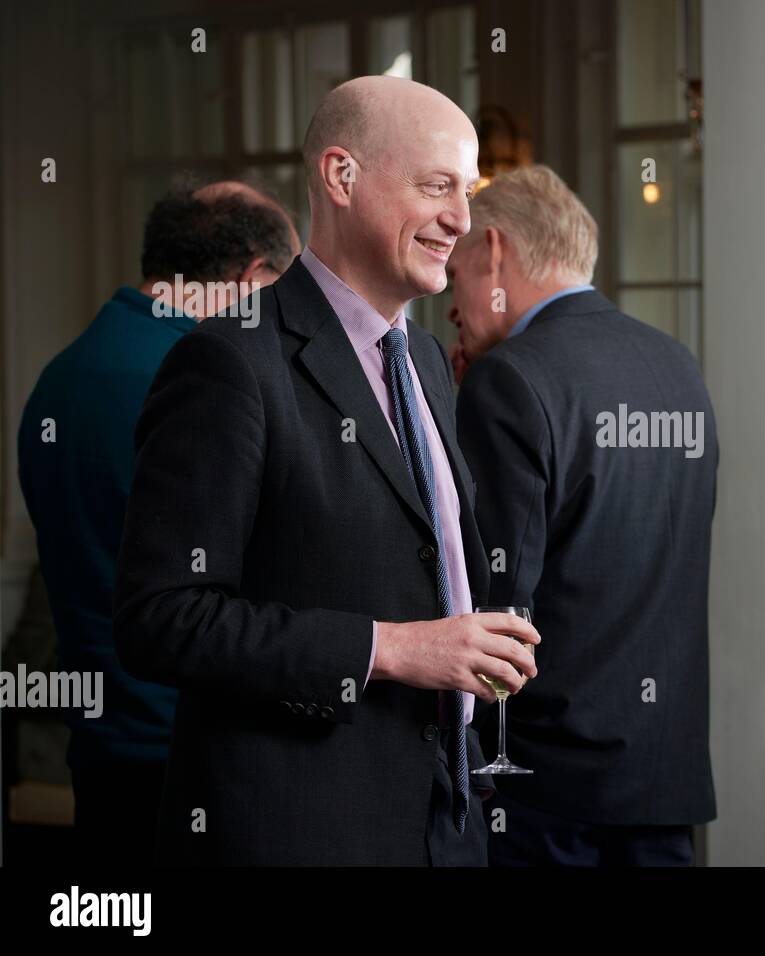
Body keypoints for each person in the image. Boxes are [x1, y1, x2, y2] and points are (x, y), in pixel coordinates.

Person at [112, 75, 539, 866]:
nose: (462, 219)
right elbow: (160, 619)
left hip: (447, 827)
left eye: (468, 192)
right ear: (341, 177)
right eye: (437, 186)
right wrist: (394, 649)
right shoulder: (229, 361)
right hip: (298, 834)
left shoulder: (430, 370)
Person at [18, 180, 299, 865]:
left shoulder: (58, 377)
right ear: (254, 278)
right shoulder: (201, 379)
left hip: (102, 758)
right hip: (195, 761)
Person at [449, 165, 718, 865]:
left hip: (547, 787)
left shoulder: (508, 378)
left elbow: (497, 601)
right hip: (662, 775)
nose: (449, 300)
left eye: (456, 269)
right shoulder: (676, 365)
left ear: (496, 250)